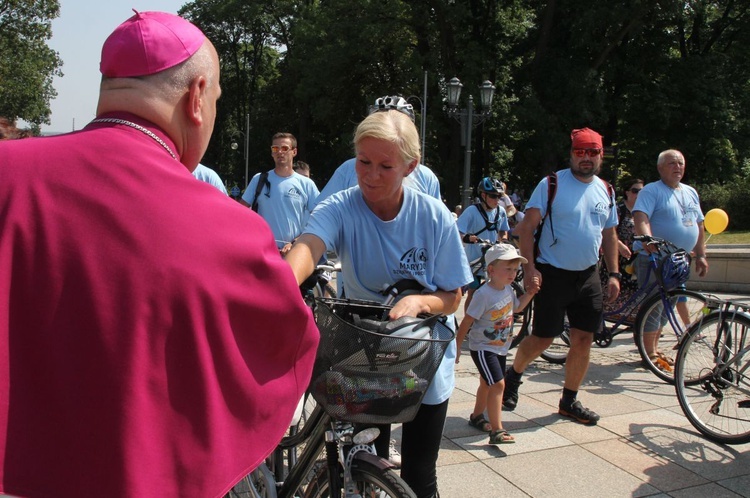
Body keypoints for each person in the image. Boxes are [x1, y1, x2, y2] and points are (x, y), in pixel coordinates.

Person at [0, 11, 319, 498]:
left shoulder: (7, 173)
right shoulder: (229, 229)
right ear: (196, 98)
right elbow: (284, 346)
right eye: (215, 100)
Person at [285, 109, 472, 498]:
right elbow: (310, 245)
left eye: (385, 166)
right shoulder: (341, 206)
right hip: (363, 356)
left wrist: (421, 301)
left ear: (410, 166)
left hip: (422, 361)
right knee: (362, 466)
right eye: (363, 162)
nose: (370, 176)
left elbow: (453, 296)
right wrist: (283, 283)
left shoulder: (434, 216)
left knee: (420, 476)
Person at [504, 127, 620, 425]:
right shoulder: (551, 184)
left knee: (584, 339)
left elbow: (609, 233)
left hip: (588, 276)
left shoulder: (606, 189)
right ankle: (514, 374)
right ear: (571, 153)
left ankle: (569, 400)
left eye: (592, 152)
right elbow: (526, 229)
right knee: (543, 338)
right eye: (580, 152)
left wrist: (615, 274)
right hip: (553, 273)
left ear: (600, 156)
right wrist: (529, 269)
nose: (586, 158)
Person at [455, 244, 539, 445]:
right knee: (498, 384)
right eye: (507, 269)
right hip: (484, 348)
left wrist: (530, 293)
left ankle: (476, 416)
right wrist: (457, 347)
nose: (513, 273)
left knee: (487, 382)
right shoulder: (483, 294)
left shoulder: (508, 290)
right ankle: (497, 430)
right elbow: (467, 321)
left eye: (515, 269)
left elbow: (517, 308)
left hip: (500, 346)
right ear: (491, 270)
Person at [632, 149, 708, 364]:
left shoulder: (690, 192)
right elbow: (641, 216)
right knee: (654, 306)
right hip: (656, 258)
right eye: (672, 163)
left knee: (668, 306)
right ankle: (649, 355)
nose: (678, 167)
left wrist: (701, 254)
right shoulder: (651, 191)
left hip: (679, 261)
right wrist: (647, 239)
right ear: (660, 168)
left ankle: (653, 350)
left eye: (681, 163)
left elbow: (699, 224)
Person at [315, 96, 442, 204]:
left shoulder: (426, 177)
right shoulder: (347, 169)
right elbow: (319, 214)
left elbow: (436, 221)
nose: (374, 176)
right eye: (365, 162)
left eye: (386, 166)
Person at [240, 132, 319, 255]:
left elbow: (318, 220)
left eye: (284, 148)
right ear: (271, 152)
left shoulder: (306, 184)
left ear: (294, 152)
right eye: (275, 148)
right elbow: (240, 211)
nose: (279, 152)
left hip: (294, 253)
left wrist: (296, 242)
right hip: (264, 252)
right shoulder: (259, 179)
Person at [456, 177, 510, 311]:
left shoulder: (501, 212)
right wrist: (467, 238)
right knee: (473, 293)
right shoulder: (472, 211)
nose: (497, 200)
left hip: (492, 259)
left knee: (493, 292)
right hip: (474, 260)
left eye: (499, 196)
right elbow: (457, 232)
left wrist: (501, 240)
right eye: (493, 196)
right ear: (483, 195)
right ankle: (468, 325)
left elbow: (504, 231)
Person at [599, 176, 645, 322]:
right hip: (617, 256)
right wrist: (619, 245)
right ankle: (610, 317)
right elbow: (607, 231)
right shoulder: (620, 209)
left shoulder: (641, 211)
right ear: (627, 192)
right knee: (615, 288)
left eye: (641, 191)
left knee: (634, 289)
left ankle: (632, 319)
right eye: (635, 190)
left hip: (634, 257)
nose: (638, 194)